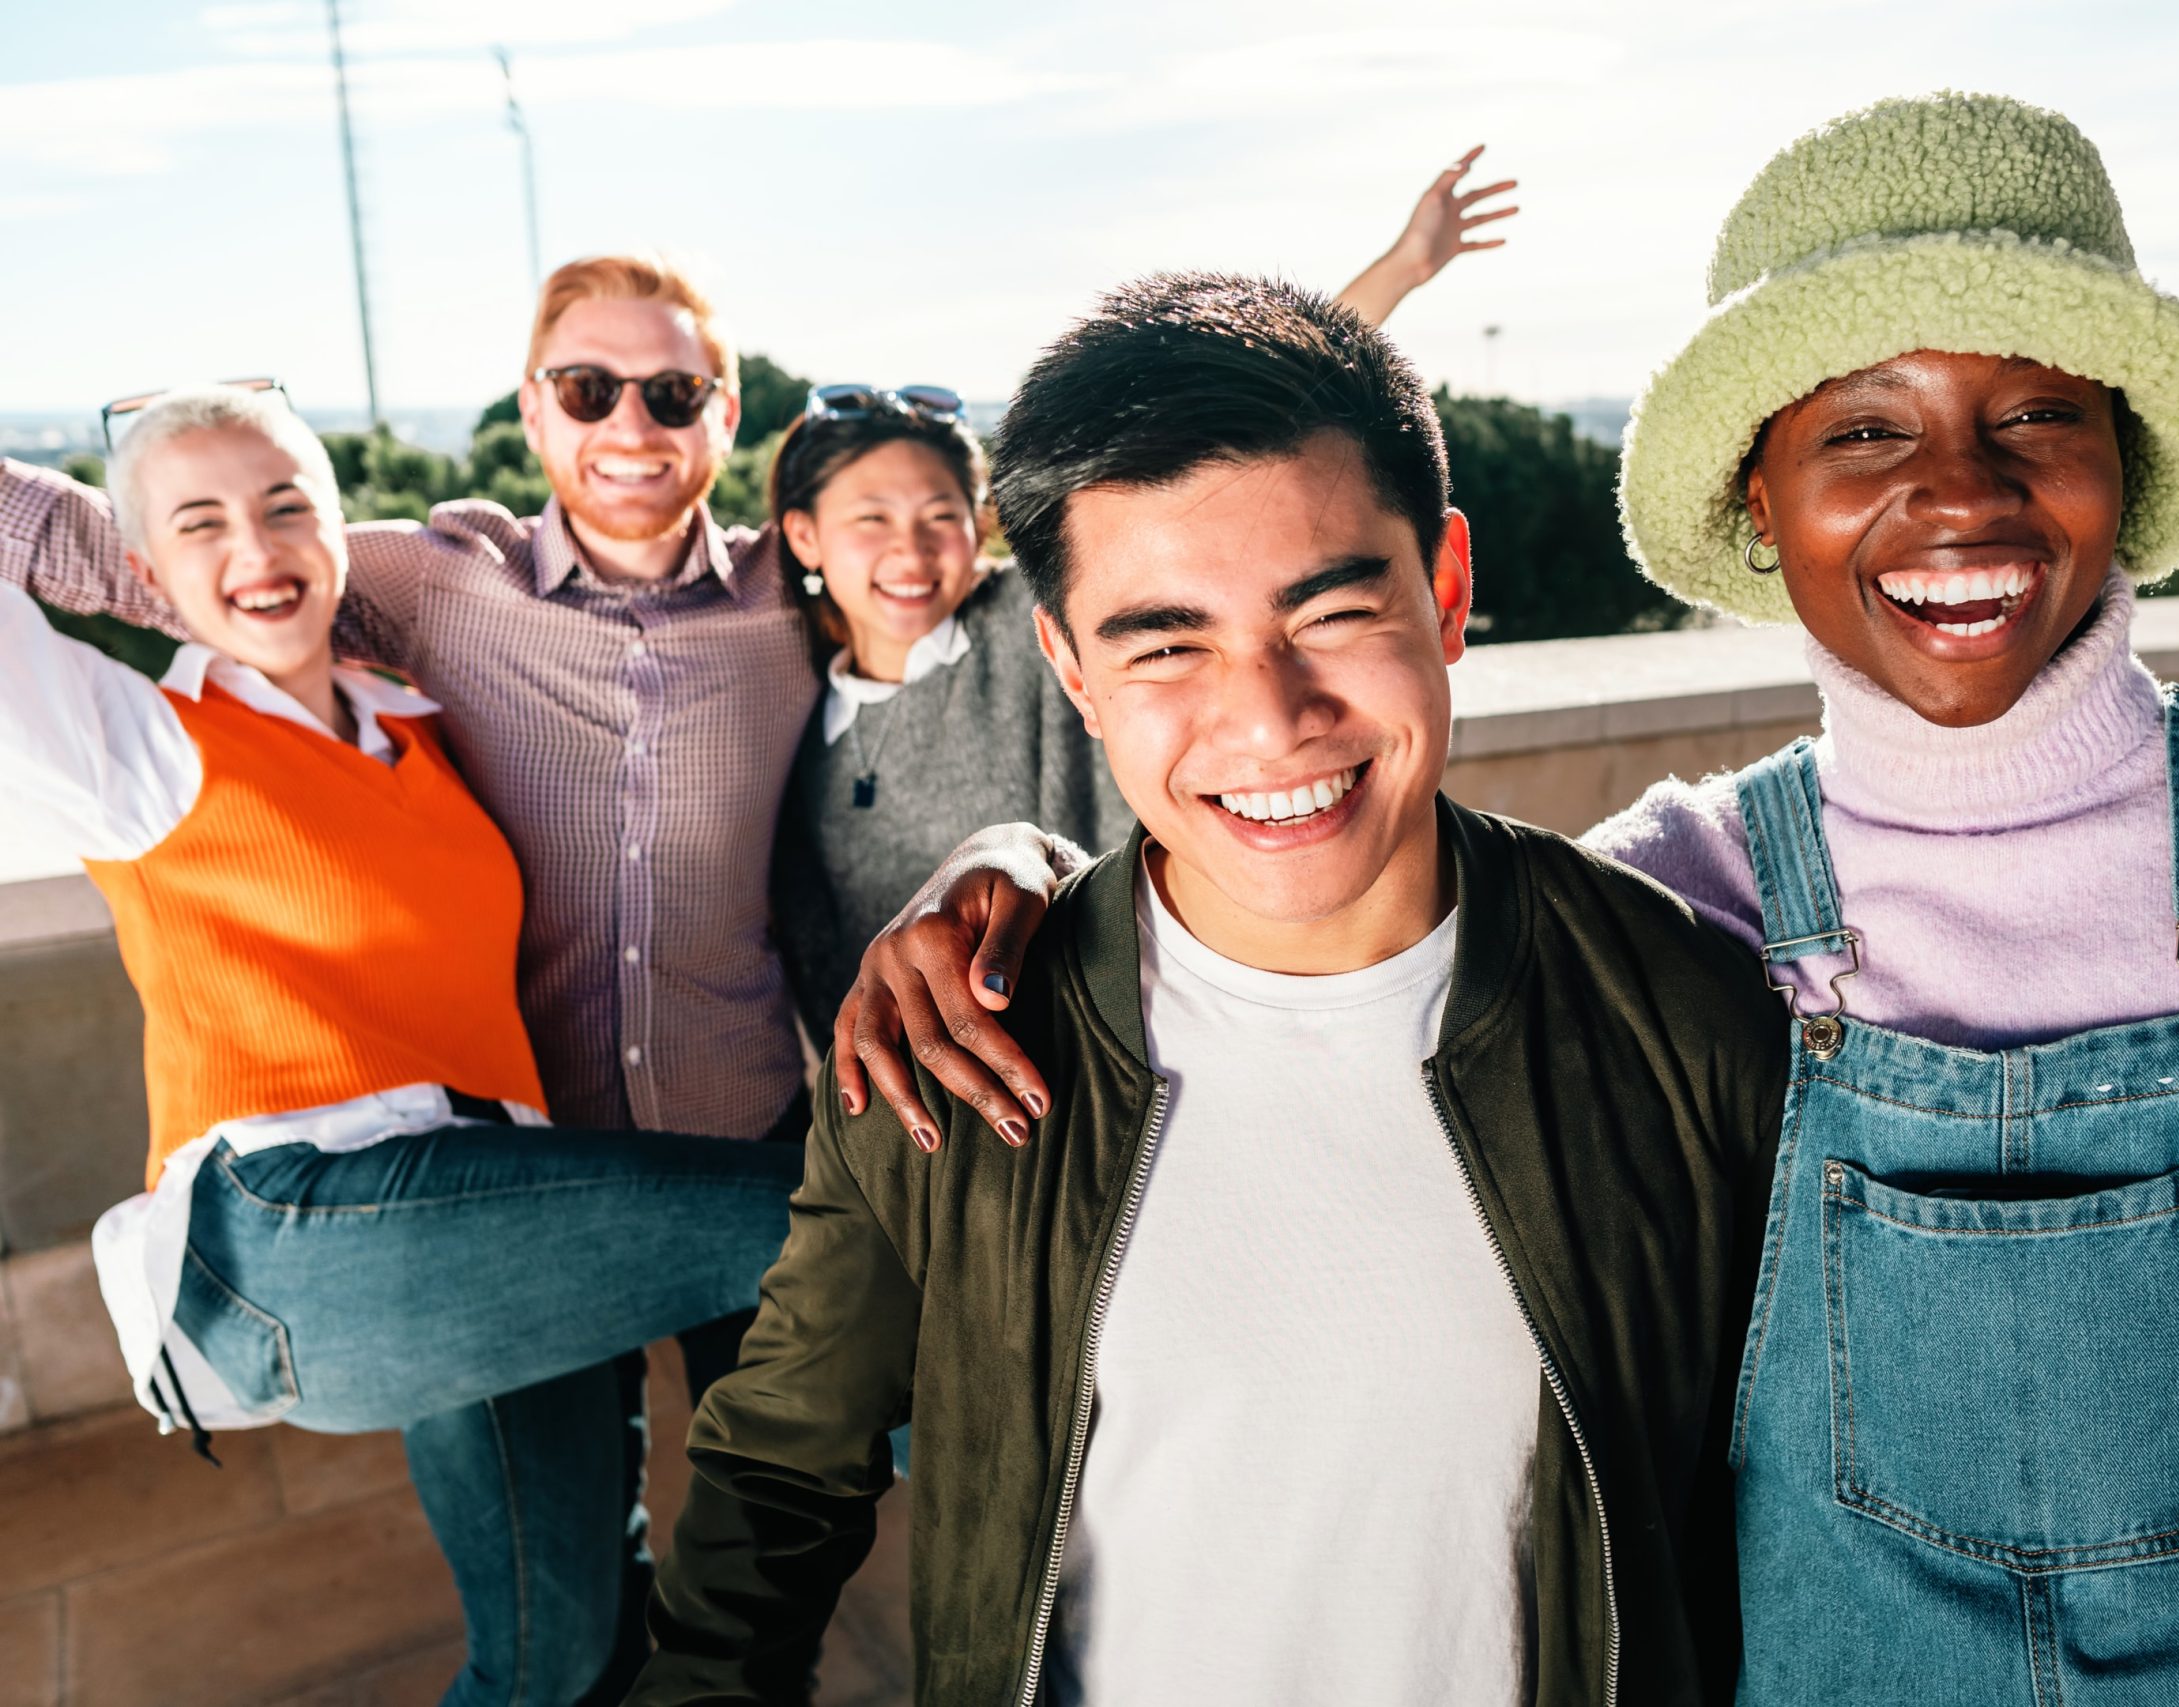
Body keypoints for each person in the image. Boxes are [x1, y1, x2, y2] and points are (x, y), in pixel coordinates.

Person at [824, 97, 2179, 1700]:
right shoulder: (1687, 899)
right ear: (1760, 490)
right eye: (1865, 428)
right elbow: (1325, 885)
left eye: (2037, 412)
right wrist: (1019, 877)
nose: (1959, 493)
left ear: (2128, 454)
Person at [0, 146, 1521, 1692]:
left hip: (742, 1141)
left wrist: (1380, 286)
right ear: (532, 412)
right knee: (554, 1623)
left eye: (671, 396)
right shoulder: (420, 581)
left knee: (775, 1553)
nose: (629, 427)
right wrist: (160, 514)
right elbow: (156, 551)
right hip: (502, 1183)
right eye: (584, 391)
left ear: (729, 419)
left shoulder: (801, 596)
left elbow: (1151, 502)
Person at [629, 273, 1792, 1705]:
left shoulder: (1685, 1017)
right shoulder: (955, 1040)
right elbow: (773, 1476)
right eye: (1166, 640)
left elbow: (1794, 1506)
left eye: (1334, 608)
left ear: (1446, 588)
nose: (1269, 715)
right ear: (1068, 662)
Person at [0, 385, 806, 1707]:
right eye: (197, 524)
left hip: (485, 1218)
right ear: (142, 572)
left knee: (566, 1651)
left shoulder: (416, 730)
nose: (254, 549)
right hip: (298, 1231)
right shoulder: (140, 748)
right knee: (836, 1218)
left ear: (338, 531)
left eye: (284, 507)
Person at [764, 389, 1132, 1050]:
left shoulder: (1034, 618)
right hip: (945, 1123)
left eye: (941, 515)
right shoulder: (790, 725)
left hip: (1128, 1045)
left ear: (978, 523)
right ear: (805, 536)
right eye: (872, 518)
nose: (912, 551)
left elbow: (1211, 443)